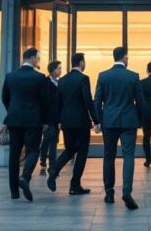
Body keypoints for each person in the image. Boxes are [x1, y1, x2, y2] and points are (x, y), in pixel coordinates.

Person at [94, 46, 145, 210]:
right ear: (124, 58)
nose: (128, 60)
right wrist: (141, 121)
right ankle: (126, 191)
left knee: (108, 156)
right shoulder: (133, 76)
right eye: (128, 57)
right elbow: (140, 102)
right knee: (129, 155)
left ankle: (109, 192)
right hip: (129, 121)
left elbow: (97, 101)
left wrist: (98, 120)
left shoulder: (103, 76)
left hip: (109, 121)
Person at [1, 47, 51, 202]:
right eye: (38, 58)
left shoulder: (10, 76)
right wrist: (45, 121)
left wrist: (13, 111)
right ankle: (25, 177)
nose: (39, 61)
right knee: (33, 150)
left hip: (14, 120)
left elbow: (5, 98)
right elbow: (45, 102)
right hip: (33, 120)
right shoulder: (40, 77)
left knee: (14, 155)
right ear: (33, 58)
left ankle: (14, 192)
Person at [47, 52, 98, 195]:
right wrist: (96, 120)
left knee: (69, 149)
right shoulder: (83, 79)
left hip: (66, 122)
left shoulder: (62, 80)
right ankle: (75, 185)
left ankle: (54, 168)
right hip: (80, 122)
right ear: (82, 63)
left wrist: (58, 121)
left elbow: (58, 103)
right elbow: (88, 100)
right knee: (82, 152)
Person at [39, 60, 62, 174]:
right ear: (52, 71)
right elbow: (43, 103)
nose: (60, 71)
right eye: (58, 69)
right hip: (48, 119)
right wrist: (44, 121)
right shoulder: (45, 83)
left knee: (54, 141)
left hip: (57, 118)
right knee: (48, 140)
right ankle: (43, 160)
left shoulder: (60, 83)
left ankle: (52, 165)